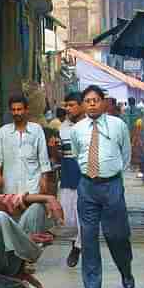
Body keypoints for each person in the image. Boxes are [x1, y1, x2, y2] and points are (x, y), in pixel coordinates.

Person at [0, 154, 64, 288]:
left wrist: (48, 198)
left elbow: (13, 200)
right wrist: (24, 238)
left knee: (36, 207)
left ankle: (23, 263)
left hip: (10, 256)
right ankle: (32, 252)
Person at [70, 85, 135, 288]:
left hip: (112, 186)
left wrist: (112, 173)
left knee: (117, 235)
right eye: (87, 100)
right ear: (83, 104)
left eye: (95, 100)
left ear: (103, 102)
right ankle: (92, 285)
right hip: (87, 186)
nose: (91, 104)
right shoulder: (77, 129)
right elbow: (77, 153)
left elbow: (126, 154)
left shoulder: (118, 126)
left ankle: (126, 271)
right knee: (88, 237)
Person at [0, 94, 51, 195]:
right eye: (13, 110)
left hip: (32, 187)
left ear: (26, 110)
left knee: (33, 210)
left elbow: (43, 157)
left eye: (19, 109)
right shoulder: (3, 132)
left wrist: (44, 179)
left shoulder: (36, 130)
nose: (16, 113)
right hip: (10, 187)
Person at [56, 92, 85, 268]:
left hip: (86, 178)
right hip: (67, 177)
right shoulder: (63, 128)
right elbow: (61, 155)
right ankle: (76, 241)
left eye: (72, 105)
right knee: (68, 219)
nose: (68, 108)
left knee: (85, 218)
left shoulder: (89, 126)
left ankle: (78, 248)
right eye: (66, 105)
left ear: (81, 106)